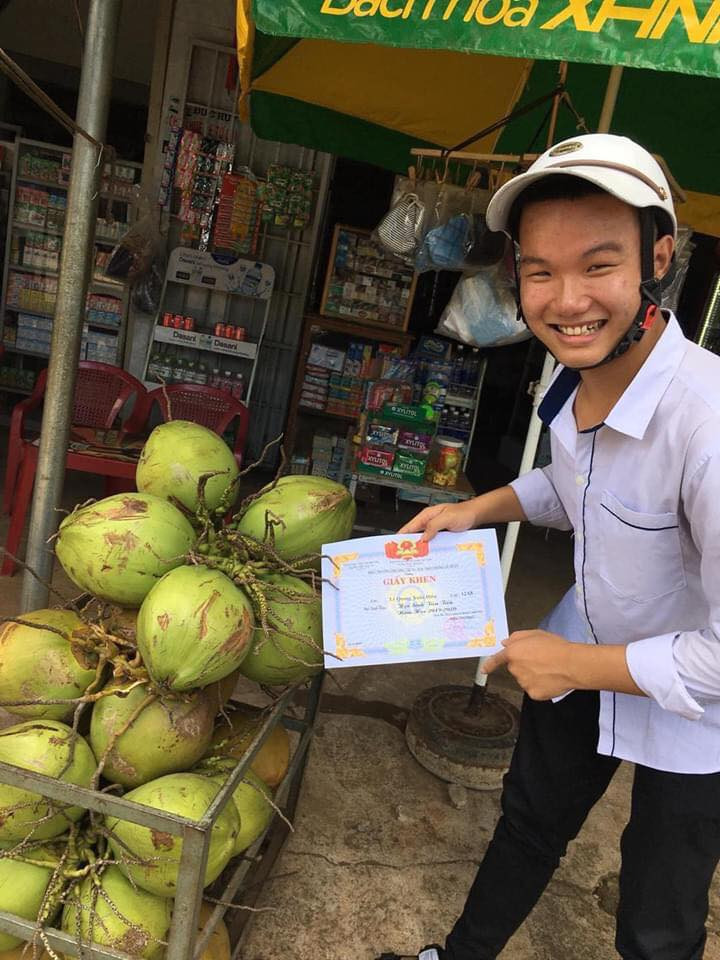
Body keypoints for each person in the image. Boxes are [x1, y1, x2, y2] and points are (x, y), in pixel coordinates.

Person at [376, 133, 720, 960]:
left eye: (598, 265)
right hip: (584, 642)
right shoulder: (569, 380)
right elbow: (578, 489)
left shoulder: (706, 424)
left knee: (659, 906)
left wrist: (575, 668)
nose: (566, 300)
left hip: (695, 699)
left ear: (658, 259)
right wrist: (481, 507)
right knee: (529, 824)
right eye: (539, 270)